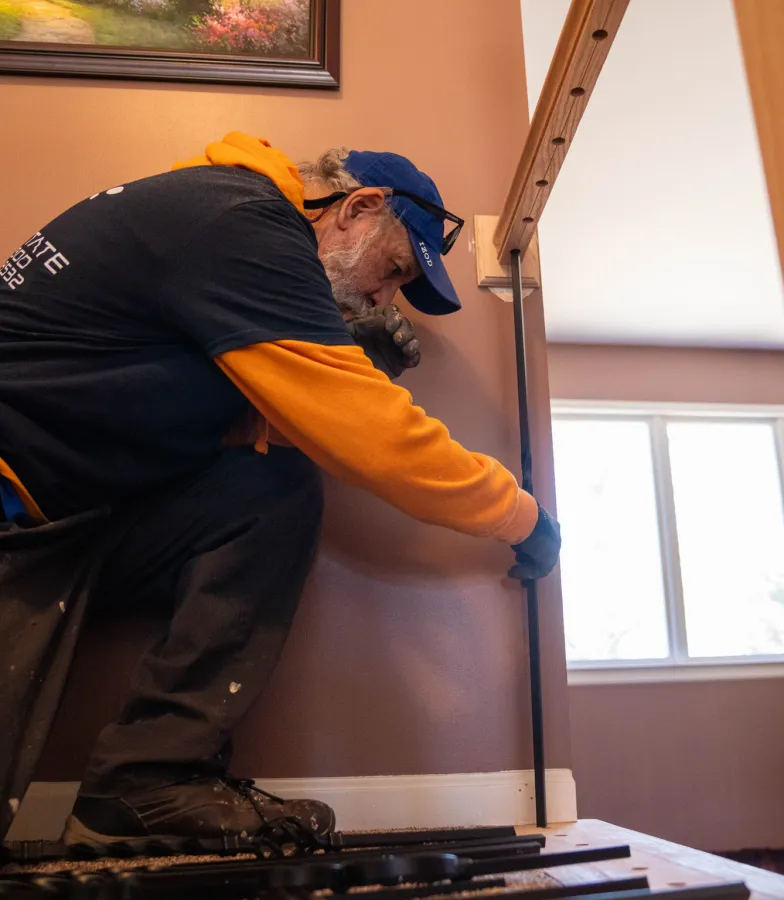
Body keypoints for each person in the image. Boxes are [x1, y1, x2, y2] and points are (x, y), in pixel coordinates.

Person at [0, 133, 561, 854]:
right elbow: (372, 438)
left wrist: (334, 364)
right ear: (357, 208)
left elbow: (196, 423)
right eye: (393, 271)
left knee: (266, 488)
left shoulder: (218, 223)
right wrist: (521, 516)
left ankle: (145, 785)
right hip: (18, 514)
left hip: (61, 518)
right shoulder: (243, 222)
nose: (385, 297)